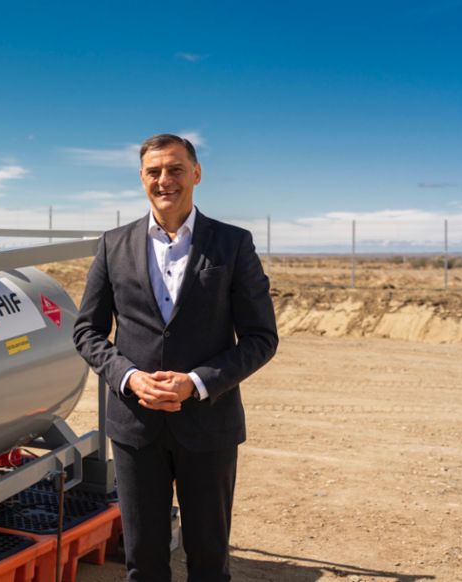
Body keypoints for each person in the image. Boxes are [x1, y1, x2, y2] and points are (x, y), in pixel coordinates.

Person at [73, 134, 278, 581]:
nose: (165, 180)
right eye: (154, 171)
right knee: (143, 562)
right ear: (142, 178)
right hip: (135, 427)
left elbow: (262, 337)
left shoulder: (233, 244)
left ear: (196, 174)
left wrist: (198, 382)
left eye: (175, 169)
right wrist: (128, 376)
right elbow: (87, 331)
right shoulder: (113, 245)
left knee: (208, 561)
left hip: (209, 425)